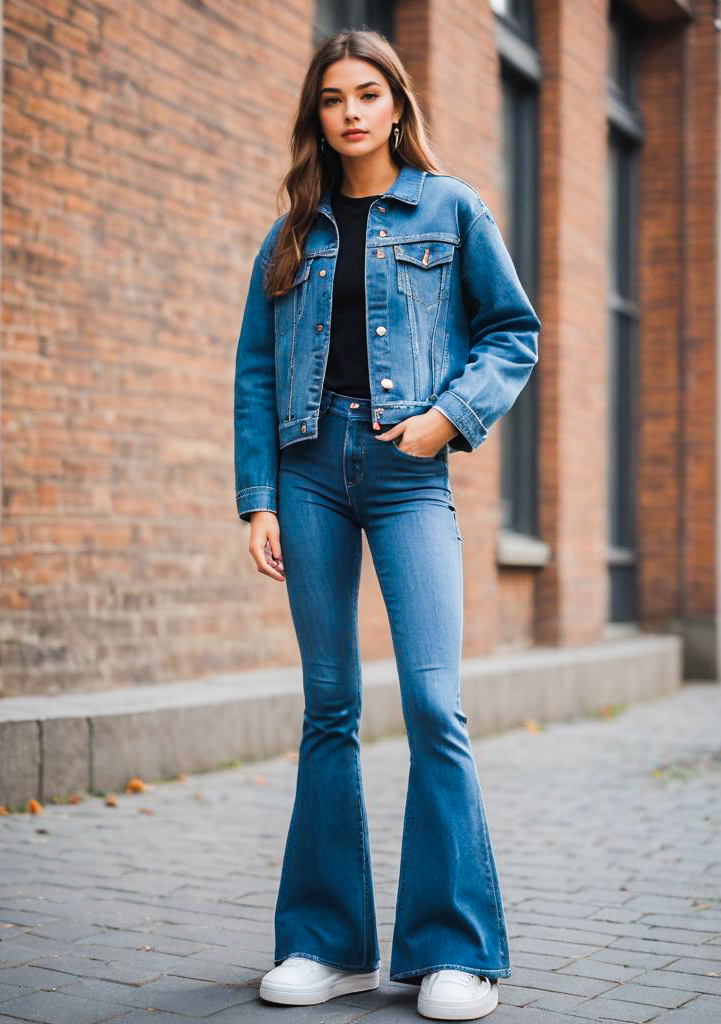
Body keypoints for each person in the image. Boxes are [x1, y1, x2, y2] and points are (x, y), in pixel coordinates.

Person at [233, 27, 541, 1023]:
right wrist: (258, 498)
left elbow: (512, 330)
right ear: (316, 116)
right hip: (309, 472)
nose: (352, 111)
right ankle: (323, 943)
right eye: (333, 97)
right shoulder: (291, 232)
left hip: (408, 479)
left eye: (369, 93)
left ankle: (452, 951)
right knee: (329, 707)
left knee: (433, 706)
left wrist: (450, 415)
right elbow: (251, 374)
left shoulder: (452, 209)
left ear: (397, 105)